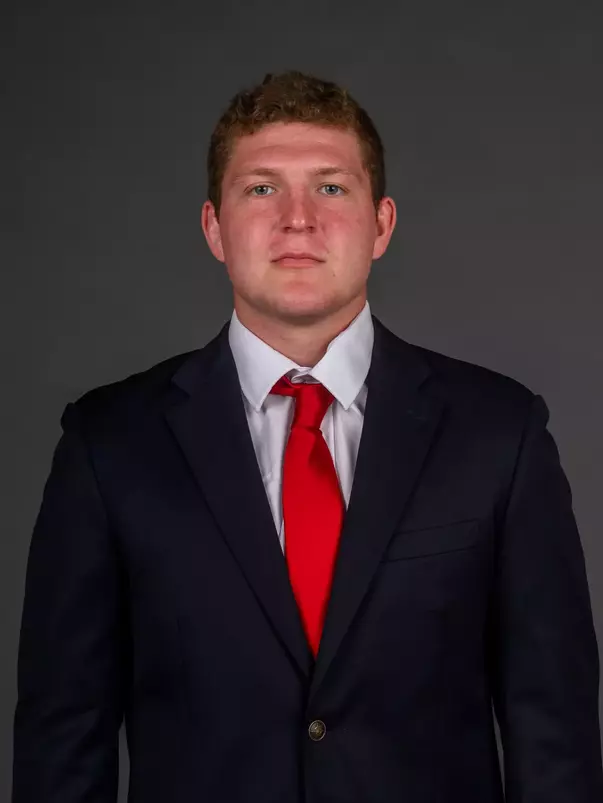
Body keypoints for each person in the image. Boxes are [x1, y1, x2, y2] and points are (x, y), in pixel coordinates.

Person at [12, 69, 603, 803]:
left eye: (330, 187)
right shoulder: (107, 445)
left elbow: (557, 738)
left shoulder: (499, 432)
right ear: (213, 227)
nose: (298, 219)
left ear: (381, 223)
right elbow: (62, 742)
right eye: (261, 188)